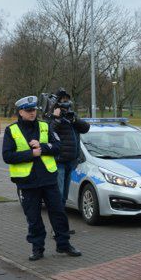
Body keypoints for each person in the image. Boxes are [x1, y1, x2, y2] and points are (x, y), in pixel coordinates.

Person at [2, 95, 82, 261]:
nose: (32, 113)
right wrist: (31, 154)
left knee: (59, 214)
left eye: (34, 110)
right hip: (27, 182)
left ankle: (64, 245)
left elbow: (58, 146)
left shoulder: (45, 126)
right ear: (20, 112)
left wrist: (42, 147)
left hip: (48, 179)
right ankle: (37, 248)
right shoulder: (12, 130)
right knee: (34, 218)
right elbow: (7, 156)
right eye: (29, 110)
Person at [47, 89, 90, 223]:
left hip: (71, 161)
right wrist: (56, 118)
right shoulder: (51, 115)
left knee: (64, 196)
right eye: (63, 100)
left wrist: (74, 120)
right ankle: (57, 227)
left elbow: (85, 128)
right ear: (57, 102)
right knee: (58, 195)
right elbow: (49, 132)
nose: (66, 102)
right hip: (59, 161)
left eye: (67, 99)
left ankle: (61, 225)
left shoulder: (71, 115)